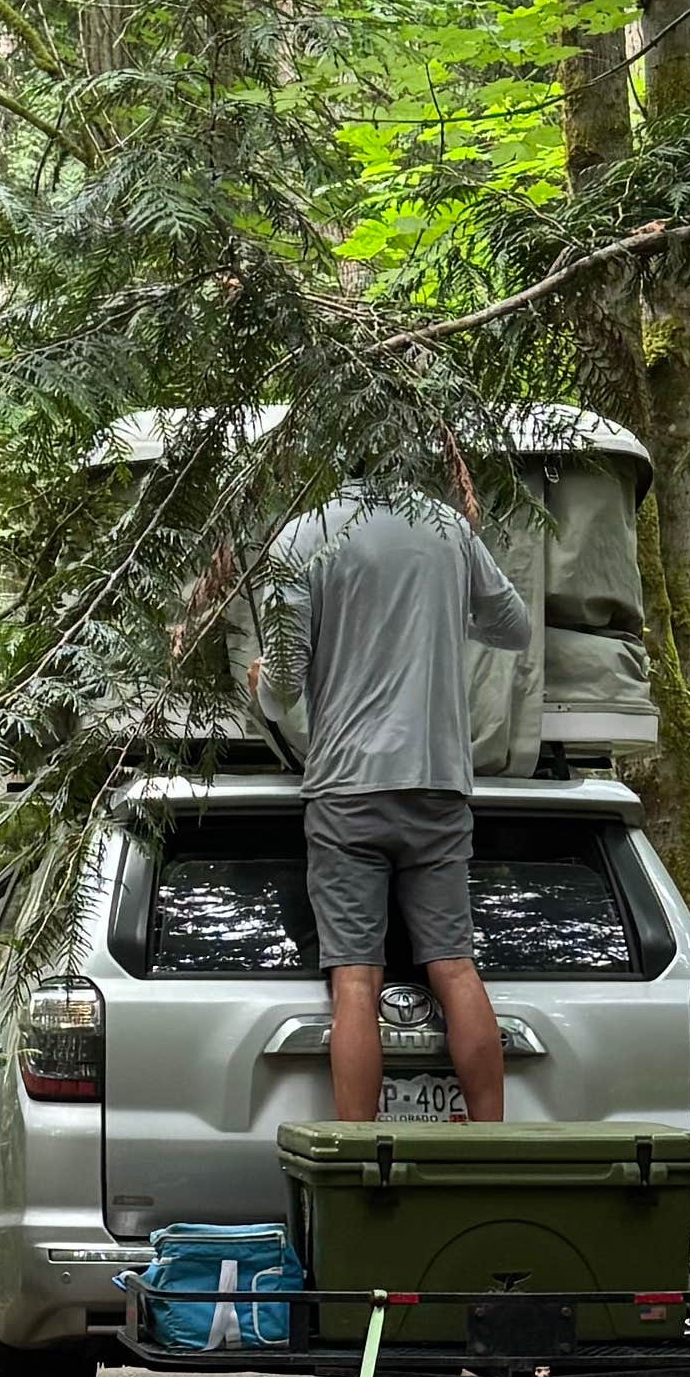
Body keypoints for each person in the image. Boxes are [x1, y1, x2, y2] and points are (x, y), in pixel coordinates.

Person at [254, 444, 535, 1124]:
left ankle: (357, 1152)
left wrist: (262, 684)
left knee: (355, 981)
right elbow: (515, 627)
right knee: (455, 966)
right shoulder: (448, 527)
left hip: (347, 786)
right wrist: (442, 614)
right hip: (439, 782)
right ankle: (491, 1143)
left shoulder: (303, 536)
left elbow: (285, 684)